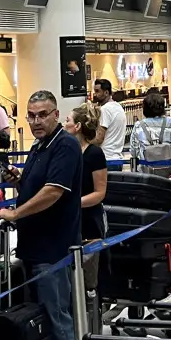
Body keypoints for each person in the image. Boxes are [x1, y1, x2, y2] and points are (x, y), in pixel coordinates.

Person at [0, 91, 81, 340]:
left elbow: (53, 192)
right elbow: (36, 188)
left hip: (52, 249)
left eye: (43, 115)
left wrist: (16, 213)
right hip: (33, 248)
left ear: (56, 114)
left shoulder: (64, 145)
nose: (36, 121)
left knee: (56, 317)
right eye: (31, 116)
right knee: (40, 319)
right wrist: (19, 180)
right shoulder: (38, 146)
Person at [65, 103, 107, 298]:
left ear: (78, 126)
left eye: (68, 120)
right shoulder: (67, 152)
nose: (64, 124)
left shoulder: (94, 154)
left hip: (89, 221)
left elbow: (99, 192)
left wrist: (75, 203)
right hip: (69, 220)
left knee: (89, 278)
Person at [130, 91, 171, 173]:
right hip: (168, 168)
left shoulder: (139, 125)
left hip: (146, 169)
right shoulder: (170, 122)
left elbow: (134, 151)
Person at [91, 79, 127, 171]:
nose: (94, 94)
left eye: (97, 91)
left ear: (106, 92)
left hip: (106, 160)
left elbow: (99, 138)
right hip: (117, 159)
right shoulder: (118, 107)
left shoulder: (105, 110)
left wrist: (83, 143)